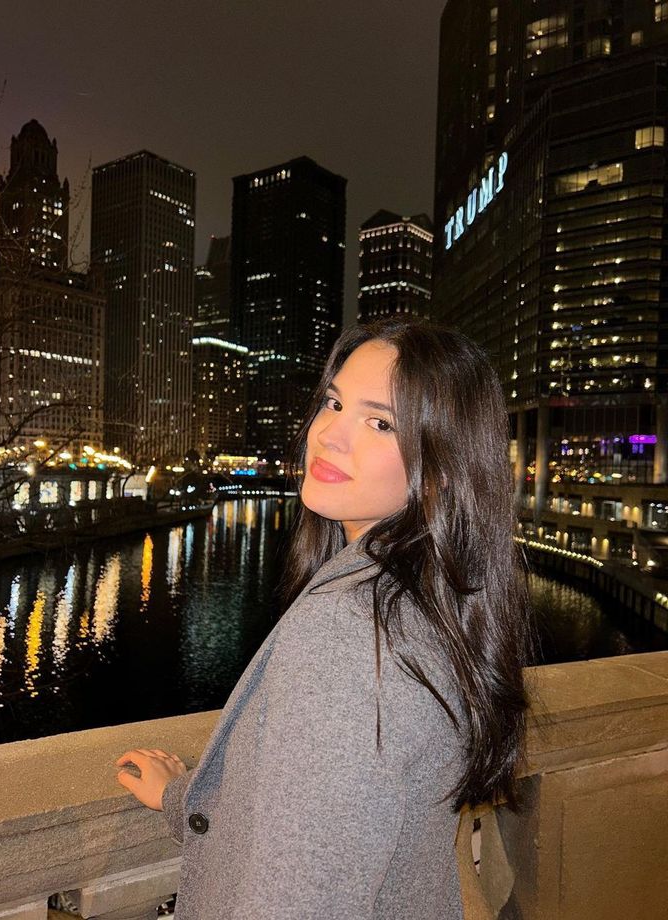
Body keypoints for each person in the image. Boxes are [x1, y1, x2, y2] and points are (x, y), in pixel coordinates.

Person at [117, 317, 533, 919]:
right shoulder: (436, 599)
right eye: (334, 403)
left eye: (380, 422)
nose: (330, 435)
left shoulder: (348, 634)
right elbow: (328, 820)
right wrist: (188, 797)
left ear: (440, 470)